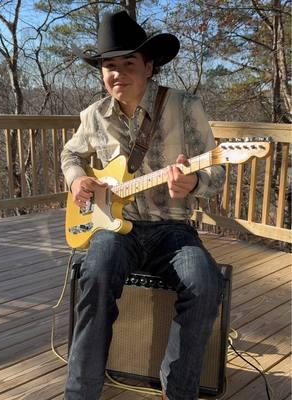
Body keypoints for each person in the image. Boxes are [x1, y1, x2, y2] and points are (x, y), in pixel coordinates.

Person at [61, 10, 225, 400]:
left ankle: (179, 391)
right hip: (115, 228)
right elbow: (70, 154)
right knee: (95, 275)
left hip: (173, 229)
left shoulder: (186, 107)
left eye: (127, 63)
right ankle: (80, 393)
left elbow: (217, 174)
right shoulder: (93, 116)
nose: (116, 73)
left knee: (206, 283)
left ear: (149, 66)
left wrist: (194, 182)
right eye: (108, 66)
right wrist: (77, 179)